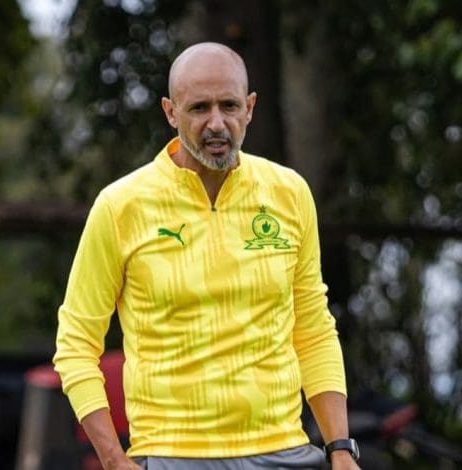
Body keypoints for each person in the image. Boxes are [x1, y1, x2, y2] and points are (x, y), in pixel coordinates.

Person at [53, 42, 361, 470]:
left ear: (250, 108)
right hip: (170, 455)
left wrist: (341, 449)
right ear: (170, 112)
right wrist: (113, 458)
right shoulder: (121, 206)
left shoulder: (289, 194)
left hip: (284, 451)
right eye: (199, 108)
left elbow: (312, 328)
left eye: (229, 106)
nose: (217, 124)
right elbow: (75, 344)